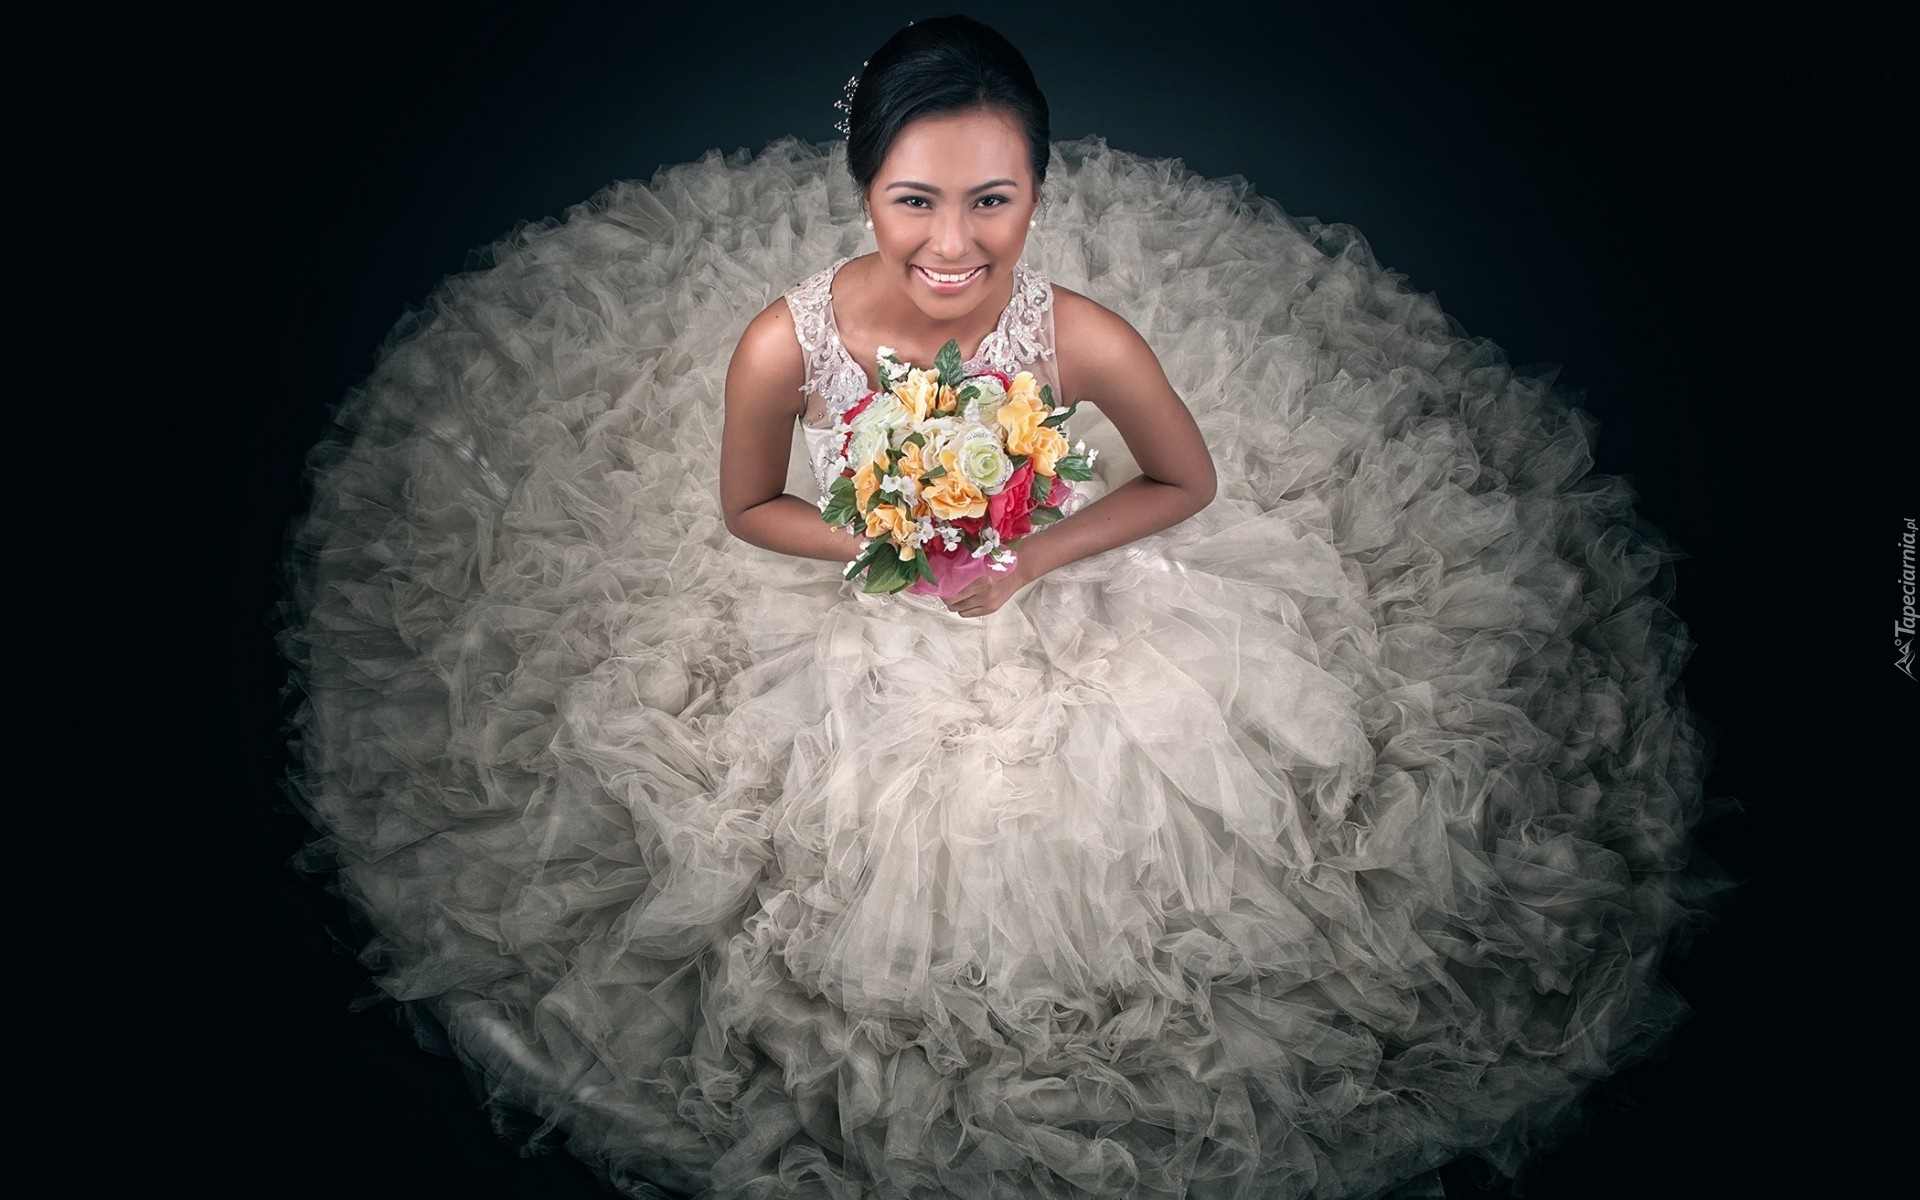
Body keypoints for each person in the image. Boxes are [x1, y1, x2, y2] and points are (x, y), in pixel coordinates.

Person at [283, 14, 1715, 1200]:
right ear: (864, 190)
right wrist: (883, 545)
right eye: (914, 200)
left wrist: (1031, 557)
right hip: (863, 600)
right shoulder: (787, 343)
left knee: (1167, 807)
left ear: (1038, 191)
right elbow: (748, 509)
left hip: (1061, 581)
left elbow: (1186, 480)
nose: (954, 243)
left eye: (995, 200)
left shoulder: (1077, 335)